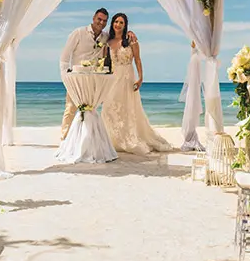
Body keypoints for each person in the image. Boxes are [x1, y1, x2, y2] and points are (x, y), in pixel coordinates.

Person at [101, 13, 172, 155]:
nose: (118, 24)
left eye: (121, 22)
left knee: (128, 108)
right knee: (109, 107)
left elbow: (138, 60)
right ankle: (111, 139)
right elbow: (104, 63)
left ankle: (128, 138)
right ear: (112, 23)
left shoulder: (131, 39)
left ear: (125, 24)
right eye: (116, 21)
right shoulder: (108, 42)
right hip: (112, 79)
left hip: (127, 77)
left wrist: (140, 78)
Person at [59, 8, 136, 140]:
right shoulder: (78, 33)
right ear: (93, 18)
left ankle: (87, 140)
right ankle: (64, 139)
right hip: (77, 78)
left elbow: (118, 39)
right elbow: (64, 57)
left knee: (91, 109)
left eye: (104, 21)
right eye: (99, 19)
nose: (101, 22)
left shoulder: (106, 37)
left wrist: (129, 32)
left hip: (95, 79)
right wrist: (66, 77)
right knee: (71, 108)